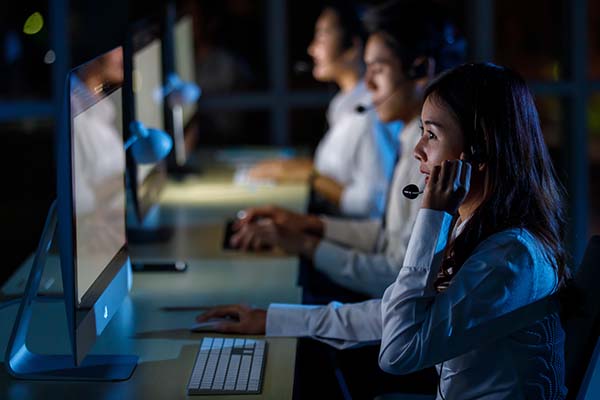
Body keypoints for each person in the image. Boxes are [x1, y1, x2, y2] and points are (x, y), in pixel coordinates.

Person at [198, 63, 569, 399]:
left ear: (479, 150)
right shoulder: (477, 226)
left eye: (432, 136)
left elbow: (398, 351)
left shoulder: (509, 258)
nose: (418, 152)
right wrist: (274, 320)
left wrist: (432, 216)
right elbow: (394, 314)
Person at [231, 0, 464, 301]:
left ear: (420, 69)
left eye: (378, 69)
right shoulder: (409, 139)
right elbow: (389, 239)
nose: (367, 83)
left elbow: (399, 275)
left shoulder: (431, 159)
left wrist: (307, 244)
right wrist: (307, 225)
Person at [248, 2, 387, 218]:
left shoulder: (370, 114)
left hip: (351, 239)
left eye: (322, 37)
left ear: (352, 46)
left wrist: (309, 175)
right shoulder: (343, 104)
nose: (312, 49)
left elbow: (370, 204)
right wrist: (294, 168)